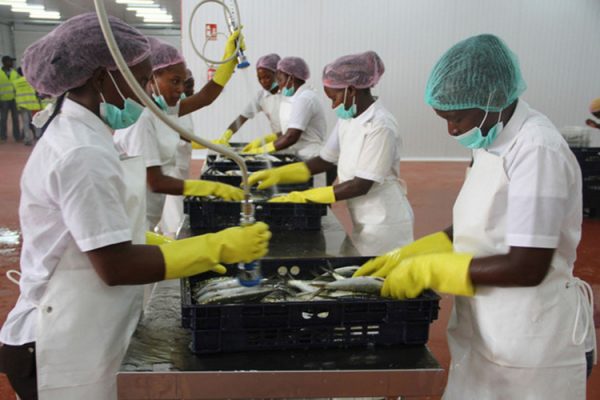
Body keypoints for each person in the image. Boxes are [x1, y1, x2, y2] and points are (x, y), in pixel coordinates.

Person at [0, 13, 270, 400]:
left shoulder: (86, 131)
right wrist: (216, 247)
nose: (146, 93)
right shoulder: (81, 151)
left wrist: (160, 243)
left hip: (82, 323)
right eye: (141, 80)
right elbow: (116, 266)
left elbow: (84, 229)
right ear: (101, 78)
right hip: (55, 341)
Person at [355, 34, 595, 399]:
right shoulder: (489, 138)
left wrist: (432, 270)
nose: (452, 129)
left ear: (492, 98)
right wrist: (420, 250)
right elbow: (478, 219)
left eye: (456, 117)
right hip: (485, 329)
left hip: (530, 342)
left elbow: (528, 266)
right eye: (445, 119)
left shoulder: (537, 151)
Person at [248, 51, 414, 255]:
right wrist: (278, 174)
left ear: (351, 90)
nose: (333, 105)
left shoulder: (380, 126)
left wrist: (306, 197)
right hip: (362, 215)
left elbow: (361, 185)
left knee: (379, 270)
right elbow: (326, 159)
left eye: (334, 97)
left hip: (384, 221)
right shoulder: (348, 117)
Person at [114, 37, 246, 230]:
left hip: (146, 216)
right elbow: (155, 182)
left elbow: (204, 98)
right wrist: (210, 188)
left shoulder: (161, 109)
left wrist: (228, 63)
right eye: (175, 81)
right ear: (152, 77)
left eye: (183, 83)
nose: (181, 89)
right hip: (132, 220)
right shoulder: (142, 119)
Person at [241, 56, 327, 161]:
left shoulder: (305, 99)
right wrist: (267, 139)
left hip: (310, 156)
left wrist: (262, 150)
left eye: (280, 80)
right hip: (298, 155)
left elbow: (291, 136)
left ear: (291, 78)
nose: (279, 86)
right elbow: (289, 130)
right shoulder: (294, 98)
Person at [159, 68, 196, 236]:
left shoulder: (182, 107)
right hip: (172, 164)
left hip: (181, 163)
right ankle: (173, 235)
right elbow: (183, 134)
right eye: (187, 85)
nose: (188, 89)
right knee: (173, 208)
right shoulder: (173, 107)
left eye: (191, 85)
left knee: (176, 202)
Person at [216, 53, 282, 146]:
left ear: (277, 75)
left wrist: (269, 139)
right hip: (279, 143)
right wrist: (227, 135)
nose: (263, 81)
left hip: (295, 141)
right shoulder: (261, 97)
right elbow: (241, 118)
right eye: (260, 78)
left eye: (267, 77)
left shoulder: (289, 93)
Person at [13, 67, 41, 146]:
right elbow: (37, 92)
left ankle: (27, 139)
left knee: (25, 123)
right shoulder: (32, 81)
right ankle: (38, 136)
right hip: (33, 104)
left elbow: (14, 93)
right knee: (36, 121)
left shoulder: (15, 82)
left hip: (22, 105)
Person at [0, 55, 20, 143]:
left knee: (15, 118)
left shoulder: (14, 73)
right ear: (4, 62)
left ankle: (17, 136)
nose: (12, 63)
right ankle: (2, 136)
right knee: (3, 119)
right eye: (10, 61)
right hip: (3, 99)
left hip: (14, 99)